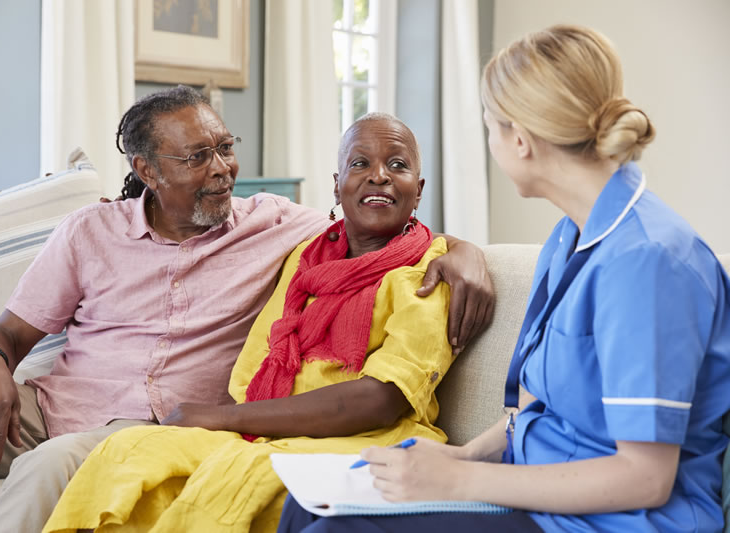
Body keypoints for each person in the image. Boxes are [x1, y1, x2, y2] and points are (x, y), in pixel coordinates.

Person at [0, 87, 493, 533]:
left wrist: (465, 251)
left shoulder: (275, 224)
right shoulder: (89, 231)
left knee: (49, 464)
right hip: (51, 409)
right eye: (198, 157)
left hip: (145, 429)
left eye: (225, 147)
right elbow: (9, 331)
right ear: (147, 170)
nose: (222, 168)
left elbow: (378, 220)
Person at [277, 24, 730, 533]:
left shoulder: (647, 263)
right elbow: (538, 403)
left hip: (610, 521)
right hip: (534, 490)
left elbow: (644, 480)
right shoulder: (570, 237)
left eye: (489, 126)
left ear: (520, 139)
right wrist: (463, 456)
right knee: (308, 506)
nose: (489, 141)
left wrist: (458, 482)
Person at [41, 112, 455, 532]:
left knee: (230, 481)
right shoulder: (306, 256)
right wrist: (235, 421)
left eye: (398, 165)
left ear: (418, 192)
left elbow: (383, 400)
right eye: (360, 164)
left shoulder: (429, 273)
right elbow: (253, 369)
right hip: (265, 427)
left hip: (363, 438)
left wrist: (221, 418)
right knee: (128, 452)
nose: (379, 177)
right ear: (336, 185)